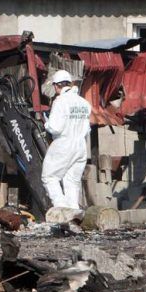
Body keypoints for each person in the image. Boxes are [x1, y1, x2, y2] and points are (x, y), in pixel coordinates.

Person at [41, 70, 91, 209]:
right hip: (81, 146)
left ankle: (61, 208)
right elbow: (87, 129)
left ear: (57, 86)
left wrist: (46, 122)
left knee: (50, 177)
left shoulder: (60, 101)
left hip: (64, 144)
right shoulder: (84, 103)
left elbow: (55, 128)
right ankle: (73, 212)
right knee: (72, 181)